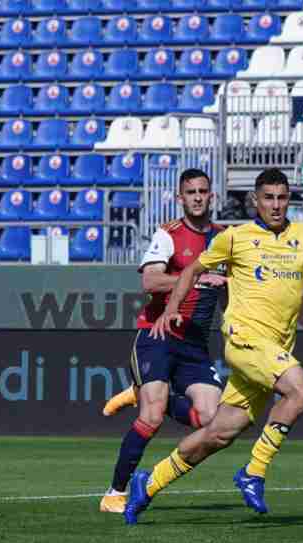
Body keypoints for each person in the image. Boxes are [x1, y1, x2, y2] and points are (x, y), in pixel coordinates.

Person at [124, 169, 303, 524]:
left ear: (289, 200)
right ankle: (253, 471)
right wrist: (174, 309)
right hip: (244, 339)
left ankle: (148, 483)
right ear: (256, 200)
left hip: (274, 347)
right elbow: (192, 270)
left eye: (282, 198)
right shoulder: (236, 238)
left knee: (218, 433)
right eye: (268, 198)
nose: (276, 205)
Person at [98, 169, 228, 514]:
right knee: (152, 417)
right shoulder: (169, 234)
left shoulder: (225, 238)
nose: (197, 196)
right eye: (190, 191)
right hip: (158, 335)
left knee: (212, 419)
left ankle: (139, 394)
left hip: (195, 345)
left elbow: (230, 286)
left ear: (211, 196)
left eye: (203, 190)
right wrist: (198, 278)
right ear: (179, 198)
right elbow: (151, 282)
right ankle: (114, 492)